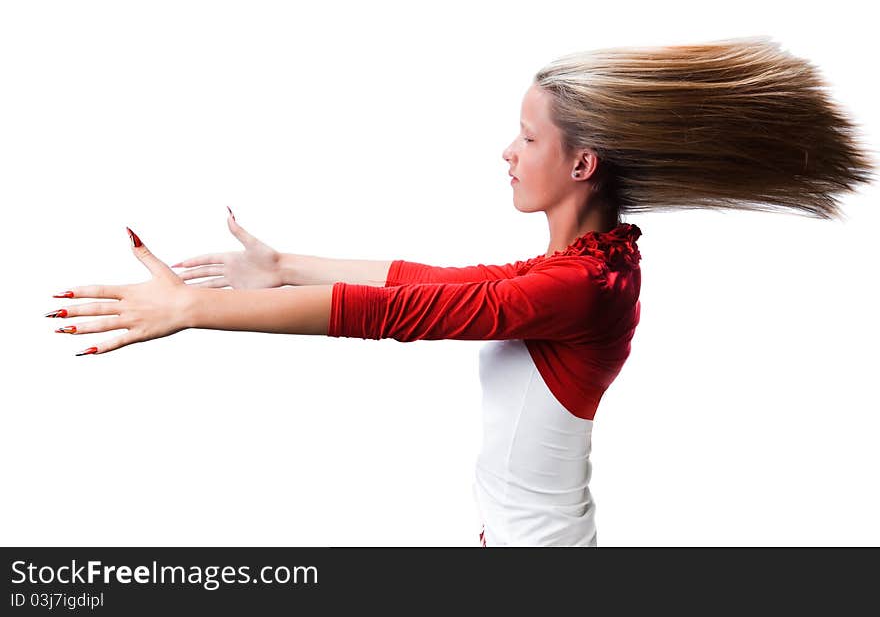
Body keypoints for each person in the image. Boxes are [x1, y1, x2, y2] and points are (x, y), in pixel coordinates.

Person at [45, 36, 876, 546]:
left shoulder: (581, 284)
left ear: (581, 165)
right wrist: (287, 262)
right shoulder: (587, 266)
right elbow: (447, 285)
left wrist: (197, 308)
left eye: (526, 136)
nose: (507, 152)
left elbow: (402, 313)